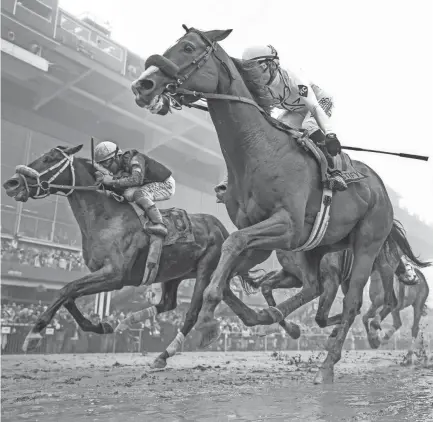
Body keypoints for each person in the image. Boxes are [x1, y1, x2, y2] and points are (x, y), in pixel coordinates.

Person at [215, 45, 347, 203]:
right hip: (295, 110)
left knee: (309, 125)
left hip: (318, 103)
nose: (252, 74)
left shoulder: (293, 79)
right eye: (248, 69)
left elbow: (313, 106)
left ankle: (335, 171)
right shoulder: (259, 86)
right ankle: (229, 181)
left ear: (271, 65)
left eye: (256, 68)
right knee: (271, 134)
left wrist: (330, 134)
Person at [94, 141, 175, 237]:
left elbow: (137, 179)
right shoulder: (121, 169)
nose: (108, 168)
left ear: (116, 157)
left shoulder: (135, 159)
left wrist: (111, 182)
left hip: (165, 183)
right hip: (149, 183)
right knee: (127, 194)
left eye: (107, 164)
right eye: (103, 166)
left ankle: (160, 224)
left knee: (140, 193)